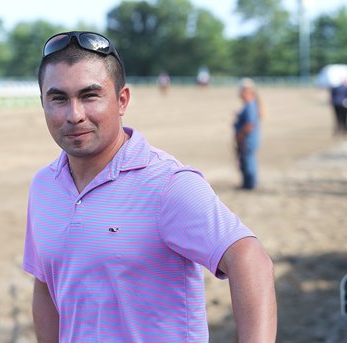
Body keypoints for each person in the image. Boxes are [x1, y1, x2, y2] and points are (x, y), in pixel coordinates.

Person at [23, 31, 276, 342]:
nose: (74, 115)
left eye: (90, 96)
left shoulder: (167, 184)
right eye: (58, 98)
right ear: (43, 103)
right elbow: (46, 285)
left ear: (122, 100)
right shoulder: (43, 186)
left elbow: (249, 259)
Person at [234, 78, 262, 190]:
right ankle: (250, 182)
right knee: (248, 159)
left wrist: (240, 135)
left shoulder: (250, 105)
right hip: (249, 139)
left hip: (248, 139)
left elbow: (250, 124)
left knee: (248, 160)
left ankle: (249, 184)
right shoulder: (252, 104)